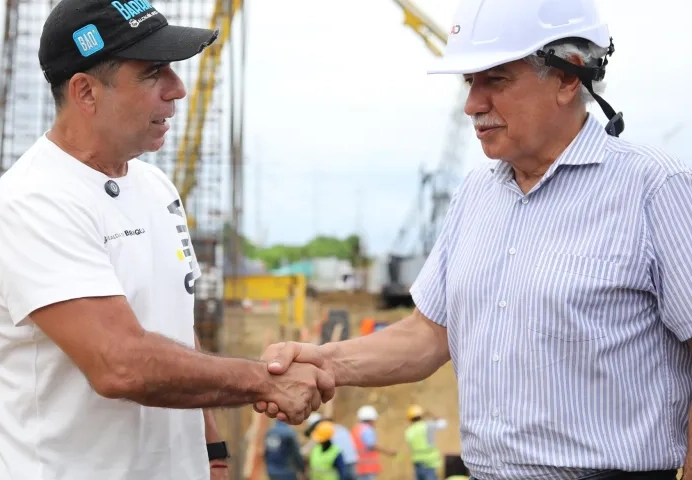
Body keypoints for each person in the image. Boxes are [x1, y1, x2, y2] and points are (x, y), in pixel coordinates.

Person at [254, 0, 692, 479]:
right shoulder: (476, 194)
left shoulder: (656, 189)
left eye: (496, 80)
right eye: (470, 83)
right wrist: (321, 360)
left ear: (570, 76)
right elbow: (428, 336)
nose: (472, 105)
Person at [0, 0, 334, 479]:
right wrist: (263, 382)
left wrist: (212, 449)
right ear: (85, 92)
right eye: (153, 72)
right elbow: (118, 363)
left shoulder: (156, 188)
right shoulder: (35, 201)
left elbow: (174, 326)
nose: (178, 89)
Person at [303, 413, 358, 480]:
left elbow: (311, 445)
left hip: (340, 461)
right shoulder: (339, 428)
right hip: (351, 460)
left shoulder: (325, 431)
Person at [350, 405, 396, 480]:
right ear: (370, 419)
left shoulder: (355, 429)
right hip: (367, 468)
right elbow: (371, 445)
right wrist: (388, 452)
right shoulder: (367, 430)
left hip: (357, 467)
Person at [403, 405, 446, 480]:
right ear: (421, 416)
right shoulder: (427, 425)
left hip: (417, 462)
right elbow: (443, 424)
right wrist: (432, 415)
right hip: (430, 462)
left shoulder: (409, 431)